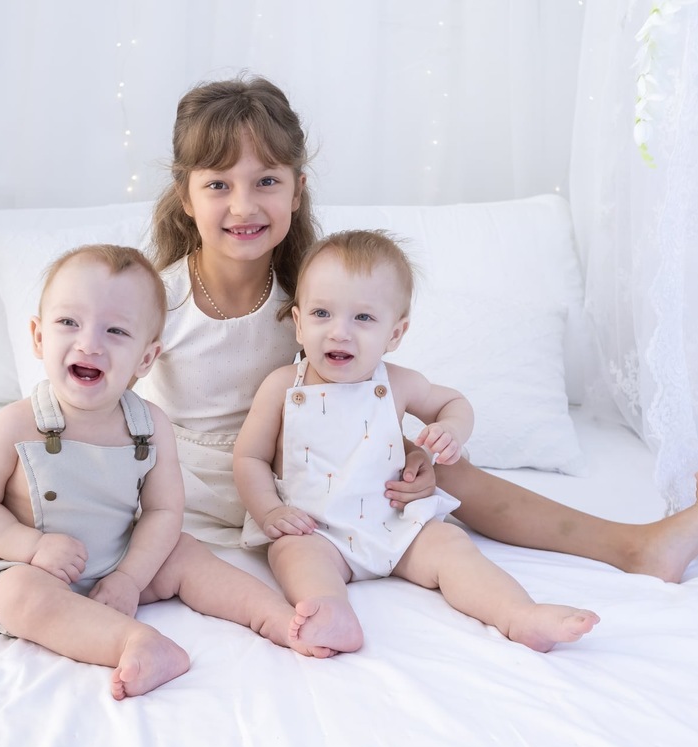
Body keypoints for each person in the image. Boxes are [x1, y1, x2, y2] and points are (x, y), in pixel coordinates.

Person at [0, 74, 698, 644]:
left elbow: (373, 389)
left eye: (268, 181)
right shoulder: (149, 299)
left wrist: (425, 452)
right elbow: (85, 390)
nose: (245, 203)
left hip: (299, 489)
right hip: (163, 489)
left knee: (454, 480)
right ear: (186, 194)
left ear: (296, 190)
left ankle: (633, 547)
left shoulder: (314, 303)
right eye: (220, 184)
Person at [234, 230, 600, 653]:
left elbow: (454, 403)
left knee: (452, 547)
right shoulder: (282, 386)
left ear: (395, 334)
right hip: (316, 530)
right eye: (322, 313)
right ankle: (332, 613)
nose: (339, 332)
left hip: (397, 526)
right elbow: (249, 457)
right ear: (299, 324)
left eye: (363, 318)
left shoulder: (400, 383)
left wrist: (451, 431)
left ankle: (518, 613)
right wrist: (269, 510)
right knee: (292, 556)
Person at [0, 244, 186, 698]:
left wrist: (129, 577)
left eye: (116, 330)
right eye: (68, 322)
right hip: (31, 568)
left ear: (146, 358)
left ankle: (277, 618)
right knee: (18, 595)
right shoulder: (15, 424)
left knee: (188, 552)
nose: (89, 344)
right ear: (39, 336)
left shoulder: (151, 426)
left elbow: (164, 512)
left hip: (117, 562)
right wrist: (31, 546)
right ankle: (132, 642)